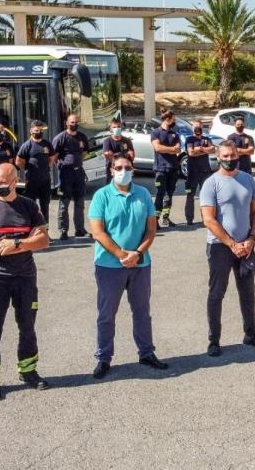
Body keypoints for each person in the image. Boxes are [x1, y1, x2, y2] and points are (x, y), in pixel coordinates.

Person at [0, 164, 51, 401]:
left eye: (4, 182)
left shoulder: (28, 206)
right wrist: (26, 240)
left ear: (16, 180)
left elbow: (44, 240)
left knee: (27, 326)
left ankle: (28, 371)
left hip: (25, 276)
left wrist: (16, 244)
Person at [87, 154, 169, 379]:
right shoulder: (101, 196)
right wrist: (121, 254)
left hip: (140, 264)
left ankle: (146, 353)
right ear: (111, 170)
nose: (123, 171)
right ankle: (103, 358)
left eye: (127, 167)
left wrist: (138, 253)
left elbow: (151, 230)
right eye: (119, 167)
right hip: (109, 266)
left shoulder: (143, 194)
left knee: (142, 312)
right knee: (106, 314)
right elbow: (98, 231)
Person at [200, 141, 255, 357]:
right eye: (225, 156)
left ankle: (251, 334)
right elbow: (208, 220)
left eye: (233, 155)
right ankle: (214, 340)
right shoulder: (211, 183)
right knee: (217, 294)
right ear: (218, 157)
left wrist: (251, 239)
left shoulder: (248, 179)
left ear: (238, 155)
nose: (230, 159)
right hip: (220, 247)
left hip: (246, 246)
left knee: (248, 292)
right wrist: (232, 244)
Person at [52, 113, 90, 240]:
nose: (75, 124)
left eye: (76, 122)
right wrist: (64, 165)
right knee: (64, 203)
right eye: (72, 122)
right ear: (67, 123)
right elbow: (54, 157)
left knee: (80, 202)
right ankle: (63, 230)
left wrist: (76, 162)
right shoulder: (60, 138)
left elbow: (84, 153)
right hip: (66, 174)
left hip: (79, 173)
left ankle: (80, 229)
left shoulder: (82, 136)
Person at [16, 120, 56, 221]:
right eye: (36, 130)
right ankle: (31, 230)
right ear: (31, 131)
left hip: (45, 180)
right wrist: (26, 169)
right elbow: (18, 161)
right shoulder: (27, 145)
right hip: (31, 181)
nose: (38, 132)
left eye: (40, 130)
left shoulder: (47, 144)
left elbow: (52, 158)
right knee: (31, 206)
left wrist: (47, 167)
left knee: (45, 207)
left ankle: (45, 231)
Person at [150, 110, 182, 228]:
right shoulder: (156, 132)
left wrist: (172, 149)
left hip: (173, 168)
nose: (174, 121)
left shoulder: (175, 134)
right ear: (167, 118)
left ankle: (166, 218)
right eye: (173, 118)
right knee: (160, 194)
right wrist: (172, 149)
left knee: (169, 195)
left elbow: (178, 149)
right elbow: (157, 148)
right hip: (161, 169)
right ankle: (155, 220)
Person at [183, 119, 214, 226]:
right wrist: (204, 150)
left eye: (199, 127)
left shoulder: (206, 139)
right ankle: (189, 219)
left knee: (205, 196)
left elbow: (213, 149)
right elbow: (190, 153)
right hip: (192, 172)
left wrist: (199, 149)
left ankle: (205, 219)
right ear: (192, 128)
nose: (197, 129)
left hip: (205, 171)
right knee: (190, 195)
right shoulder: (189, 139)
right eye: (195, 127)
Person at [101, 118, 134, 183]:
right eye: (114, 127)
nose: (117, 128)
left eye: (118, 127)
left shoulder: (127, 140)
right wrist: (124, 156)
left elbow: (132, 155)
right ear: (110, 129)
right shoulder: (107, 141)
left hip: (125, 171)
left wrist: (114, 155)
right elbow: (108, 157)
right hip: (113, 171)